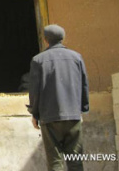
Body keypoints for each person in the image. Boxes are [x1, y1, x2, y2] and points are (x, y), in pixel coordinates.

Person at [28, 24, 89, 171]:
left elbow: (35, 91)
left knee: (55, 162)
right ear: (63, 38)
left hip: (49, 117)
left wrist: (35, 114)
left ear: (45, 39)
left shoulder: (38, 60)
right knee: (75, 161)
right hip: (73, 115)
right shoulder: (76, 57)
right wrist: (82, 110)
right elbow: (84, 85)